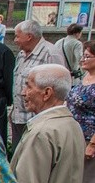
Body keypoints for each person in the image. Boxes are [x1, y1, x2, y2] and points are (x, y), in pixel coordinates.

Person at [9, 20, 66, 150]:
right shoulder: (22, 54)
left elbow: (59, 88)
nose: (15, 40)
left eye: (17, 36)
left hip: (37, 120)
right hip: (19, 117)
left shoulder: (51, 53)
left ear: (29, 36)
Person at [66, 40, 95, 183]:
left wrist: (93, 143)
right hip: (75, 133)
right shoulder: (84, 77)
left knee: (87, 181)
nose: (84, 59)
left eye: (88, 56)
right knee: (74, 177)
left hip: (89, 136)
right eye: (83, 55)